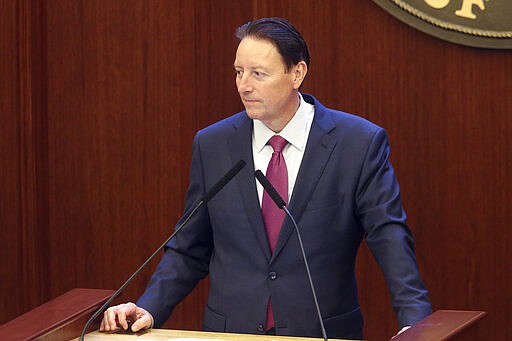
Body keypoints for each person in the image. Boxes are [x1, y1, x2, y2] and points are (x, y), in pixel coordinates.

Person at [100, 17, 431, 340]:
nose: (244, 85)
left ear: (297, 73)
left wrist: (415, 323)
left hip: (320, 332)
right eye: (239, 72)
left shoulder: (357, 143)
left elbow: (389, 235)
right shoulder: (213, 144)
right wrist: (149, 307)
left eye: (258, 74)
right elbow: (190, 247)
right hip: (231, 333)